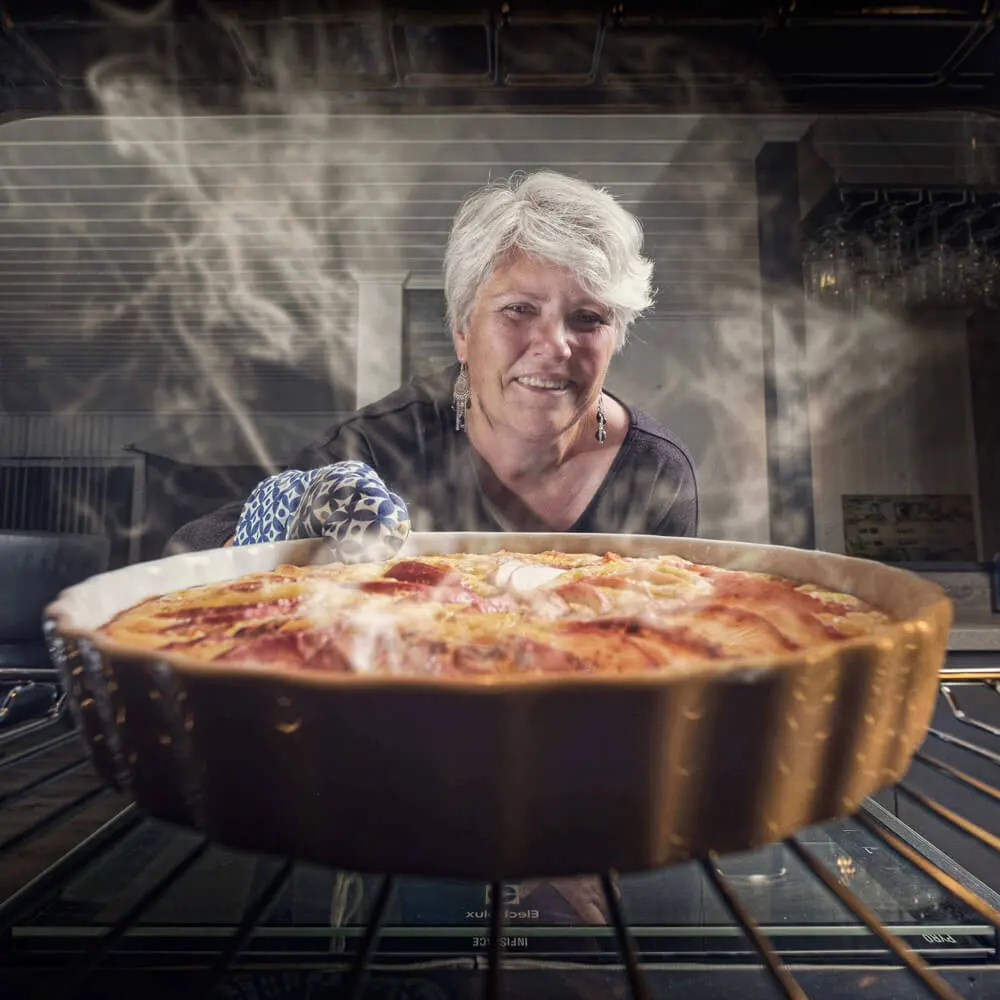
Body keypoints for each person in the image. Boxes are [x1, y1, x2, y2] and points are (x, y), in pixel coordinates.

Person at [167, 169, 697, 554]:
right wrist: (276, 529)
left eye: (588, 318)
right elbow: (189, 559)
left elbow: (670, 649)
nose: (556, 345)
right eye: (518, 309)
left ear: (616, 337)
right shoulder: (386, 445)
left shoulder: (656, 474)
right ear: (463, 332)